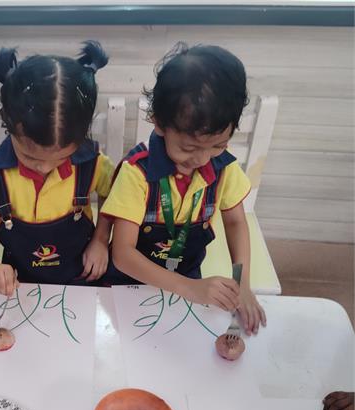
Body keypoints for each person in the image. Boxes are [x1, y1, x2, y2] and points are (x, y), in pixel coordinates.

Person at [102, 42, 265, 334]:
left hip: (188, 278)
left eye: (218, 146)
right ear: (159, 123)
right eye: (188, 148)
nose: (202, 159)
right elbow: (123, 254)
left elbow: (236, 222)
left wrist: (241, 282)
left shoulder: (224, 169)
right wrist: (190, 289)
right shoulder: (136, 172)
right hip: (129, 283)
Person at [0, 41, 114, 296]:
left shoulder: (91, 163)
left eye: (61, 158)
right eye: (29, 156)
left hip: (81, 282)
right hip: (20, 285)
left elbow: (114, 195)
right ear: (7, 123)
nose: (44, 167)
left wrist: (101, 239)